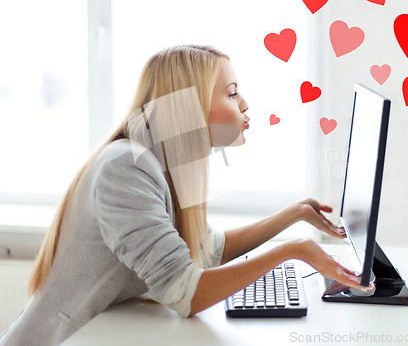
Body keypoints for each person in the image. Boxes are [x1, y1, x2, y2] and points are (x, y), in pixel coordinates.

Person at [0, 45, 368, 345]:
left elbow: (210, 249)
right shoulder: (125, 169)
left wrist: (292, 215)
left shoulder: (159, 163)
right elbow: (187, 294)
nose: (245, 105)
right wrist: (293, 251)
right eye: (232, 93)